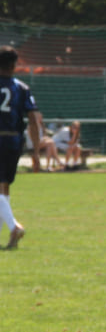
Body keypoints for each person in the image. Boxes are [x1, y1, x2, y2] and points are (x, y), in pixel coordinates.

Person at [0, 46, 43, 249]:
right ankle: (8, 234)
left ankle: (13, 226)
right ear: (14, 65)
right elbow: (34, 118)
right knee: (4, 187)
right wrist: (36, 150)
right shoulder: (22, 87)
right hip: (14, 140)